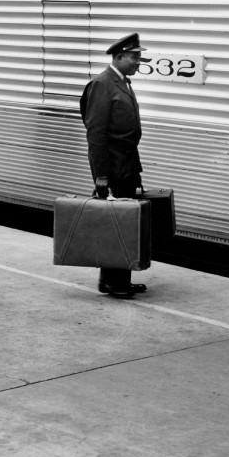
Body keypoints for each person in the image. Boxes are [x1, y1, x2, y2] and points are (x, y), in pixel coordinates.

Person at [81, 33, 149, 299]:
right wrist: (101, 175)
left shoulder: (121, 82)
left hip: (127, 164)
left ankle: (118, 279)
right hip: (113, 168)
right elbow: (96, 134)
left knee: (123, 223)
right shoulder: (102, 84)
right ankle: (112, 282)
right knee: (115, 225)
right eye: (134, 57)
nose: (138, 62)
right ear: (118, 57)